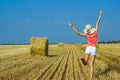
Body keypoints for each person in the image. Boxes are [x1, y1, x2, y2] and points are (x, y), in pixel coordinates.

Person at [69, 10, 103, 80]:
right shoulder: (95, 32)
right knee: (91, 65)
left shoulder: (86, 35)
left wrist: (72, 26)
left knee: (85, 63)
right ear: (91, 29)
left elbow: (78, 33)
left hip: (88, 48)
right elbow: (97, 23)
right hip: (93, 48)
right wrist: (100, 15)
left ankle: (83, 59)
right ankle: (91, 78)